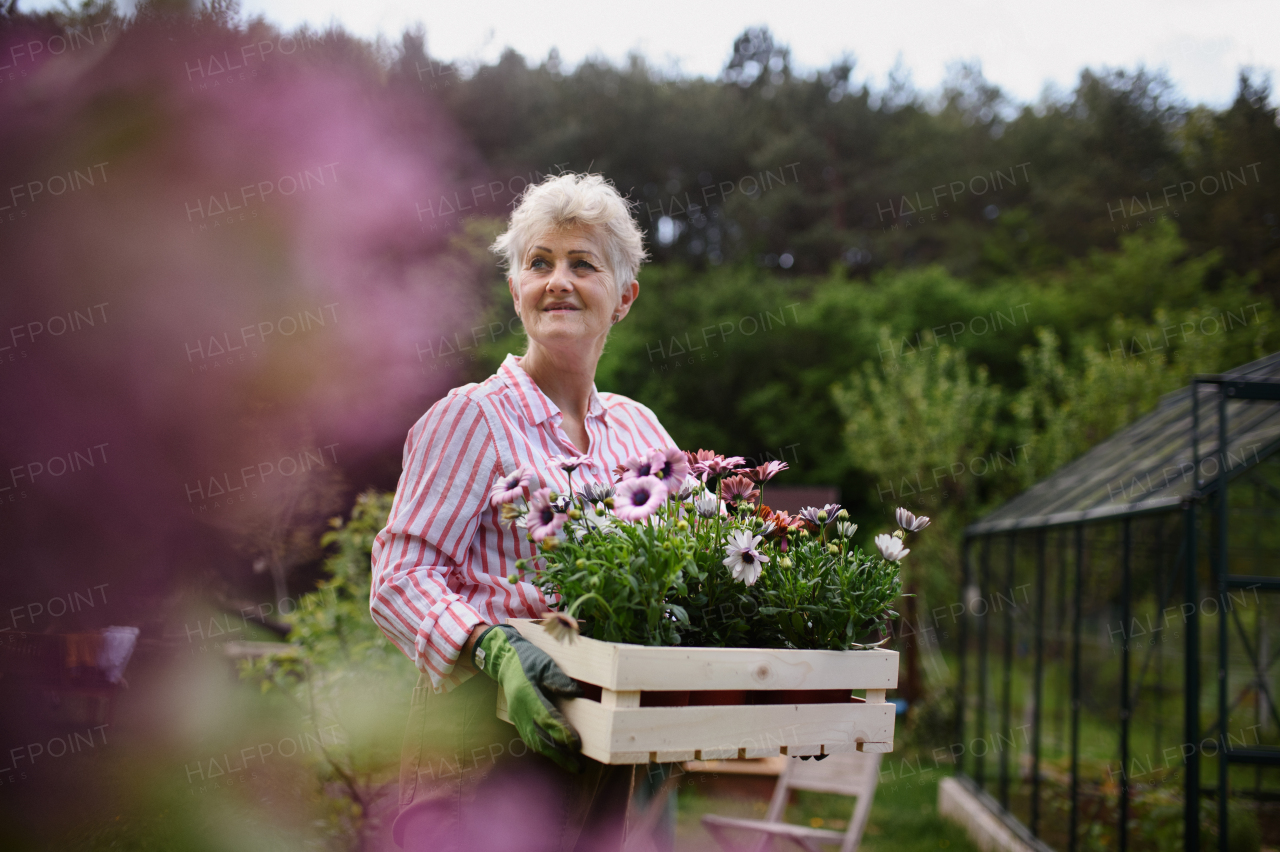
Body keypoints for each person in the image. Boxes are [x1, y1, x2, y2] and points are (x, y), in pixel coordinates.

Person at [370, 173, 677, 851]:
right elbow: (398, 575)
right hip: (485, 738)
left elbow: (690, 569)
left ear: (623, 297)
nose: (558, 281)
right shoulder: (471, 417)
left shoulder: (642, 432)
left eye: (582, 264)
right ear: (516, 291)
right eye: (539, 263)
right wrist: (489, 644)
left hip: (605, 748)